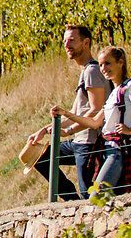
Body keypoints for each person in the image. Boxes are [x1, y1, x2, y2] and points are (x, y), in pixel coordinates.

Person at [28, 24, 110, 200]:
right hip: (80, 141)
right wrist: (45, 129)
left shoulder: (93, 71)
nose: (67, 45)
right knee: (41, 158)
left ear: (86, 42)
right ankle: (71, 201)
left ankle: (74, 203)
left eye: (72, 40)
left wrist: (69, 130)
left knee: (90, 197)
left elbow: (96, 109)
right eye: (65, 41)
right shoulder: (85, 71)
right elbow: (76, 111)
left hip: (89, 143)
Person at [76, 46, 131, 193]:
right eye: (101, 64)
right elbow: (95, 122)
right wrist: (65, 121)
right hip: (107, 149)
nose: (103, 68)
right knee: (112, 200)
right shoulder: (114, 92)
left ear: (120, 63)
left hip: (118, 151)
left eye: (107, 63)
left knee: (97, 196)